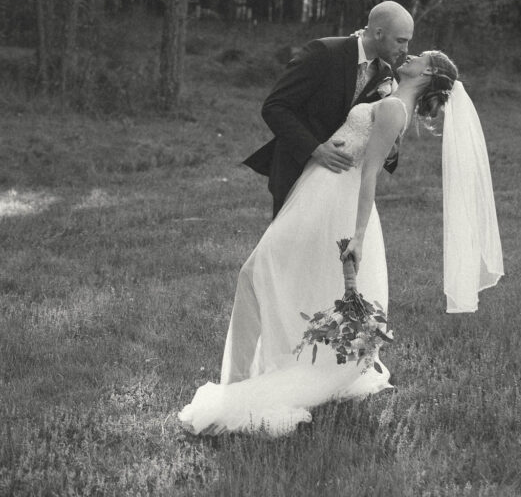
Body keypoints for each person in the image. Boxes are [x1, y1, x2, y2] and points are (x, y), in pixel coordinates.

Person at [178, 50, 504, 437]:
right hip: (318, 190)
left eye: (419, 56)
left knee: (255, 271)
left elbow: (370, 176)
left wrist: (358, 235)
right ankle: (249, 374)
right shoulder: (392, 97)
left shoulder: (393, 109)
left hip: (331, 200)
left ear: (429, 71)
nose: (410, 54)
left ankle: (237, 389)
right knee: (282, 277)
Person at [243, 1, 415, 217]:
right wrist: (316, 149)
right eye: (401, 41)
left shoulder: (385, 76)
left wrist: (390, 144)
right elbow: (275, 107)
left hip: (342, 182)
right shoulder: (324, 52)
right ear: (379, 33)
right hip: (297, 168)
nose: (405, 50)